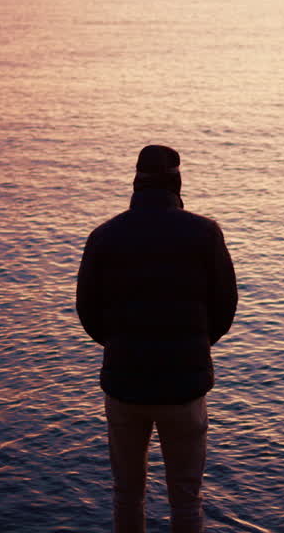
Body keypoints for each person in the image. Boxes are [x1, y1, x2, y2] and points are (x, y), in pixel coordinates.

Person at [76, 144, 238, 533]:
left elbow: (87, 311)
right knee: (186, 495)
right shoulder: (204, 233)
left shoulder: (104, 236)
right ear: (178, 182)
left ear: (135, 183)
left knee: (126, 493)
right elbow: (225, 306)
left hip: (124, 384)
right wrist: (195, 345)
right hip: (185, 385)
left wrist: (119, 345)